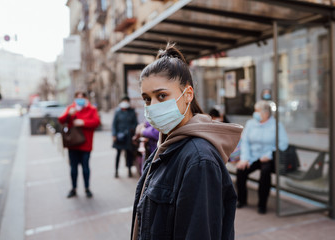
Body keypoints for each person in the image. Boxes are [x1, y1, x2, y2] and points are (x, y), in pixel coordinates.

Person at [130, 43, 243, 240]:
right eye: (147, 99)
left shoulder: (199, 159)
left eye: (162, 95)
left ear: (188, 94)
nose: (153, 106)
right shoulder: (165, 148)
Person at [236, 100, 288, 214]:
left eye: (257, 111)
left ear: (266, 113)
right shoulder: (250, 124)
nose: (255, 113)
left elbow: (283, 143)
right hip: (252, 156)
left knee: (265, 172)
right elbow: (245, 142)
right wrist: (244, 158)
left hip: (267, 157)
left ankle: (262, 204)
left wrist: (269, 155)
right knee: (241, 170)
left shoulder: (276, 125)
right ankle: (241, 200)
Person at [58, 91, 101, 198]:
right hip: (73, 143)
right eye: (77, 97)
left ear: (86, 99)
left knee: (85, 167)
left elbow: (96, 122)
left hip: (86, 144)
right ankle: (73, 188)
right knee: (73, 168)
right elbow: (61, 120)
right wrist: (69, 114)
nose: (80, 100)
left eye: (82, 97)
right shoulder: (71, 108)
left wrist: (83, 122)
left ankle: (87, 188)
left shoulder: (91, 109)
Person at [112, 96, 138, 178]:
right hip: (119, 136)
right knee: (118, 154)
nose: (125, 103)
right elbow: (114, 124)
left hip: (128, 137)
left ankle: (129, 170)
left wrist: (132, 129)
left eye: (127, 101)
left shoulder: (132, 112)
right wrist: (114, 134)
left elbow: (135, 123)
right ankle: (116, 170)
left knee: (129, 154)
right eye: (124, 101)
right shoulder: (117, 112)